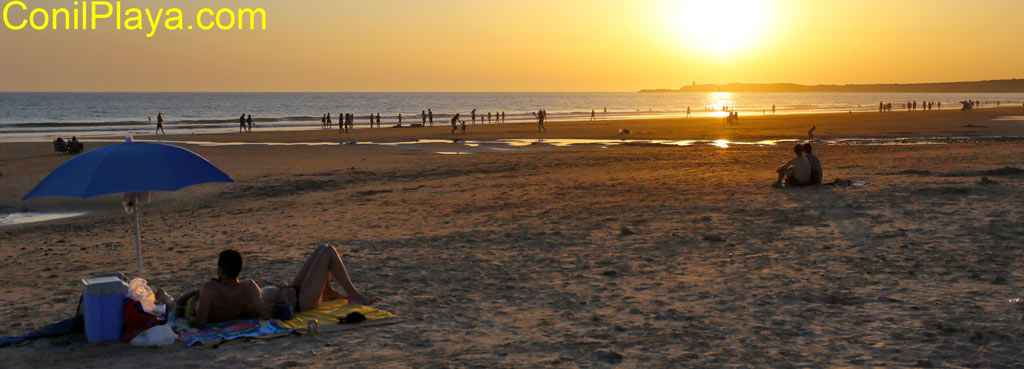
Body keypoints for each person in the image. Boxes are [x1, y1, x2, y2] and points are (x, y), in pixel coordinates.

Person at [184, 246, 373, 328]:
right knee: (328, 252)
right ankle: (353, 294)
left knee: (323, 248)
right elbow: (267, 314)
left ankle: (328, 292)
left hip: (291, 291)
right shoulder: (247, 288)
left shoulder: (219, 291)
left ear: (220, 270)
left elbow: (200, 320)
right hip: (299, 300)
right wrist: (282, 293)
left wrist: (191, 317)